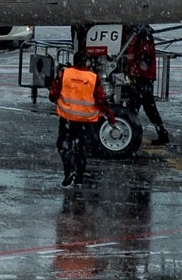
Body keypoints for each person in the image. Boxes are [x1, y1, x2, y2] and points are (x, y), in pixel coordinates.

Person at [49, 50, 106, 187]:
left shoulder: (65, 74)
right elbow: (101, 99)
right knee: (82, 148)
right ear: (86, 63)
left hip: (67, 118)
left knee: (64, 145)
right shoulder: (93, 78)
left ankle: (69, 169)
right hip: (85, 121)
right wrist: (109, 116)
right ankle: (79, 175)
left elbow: (53, 95)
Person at [119, 25, 171, 145]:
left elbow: (145, 56)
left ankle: (132, 133)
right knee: (146, 107)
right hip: (141, 77)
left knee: (137, 107)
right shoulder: (141, 35)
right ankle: (160, 133)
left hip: (141, 77)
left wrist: (135, 67)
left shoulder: (141, 35)